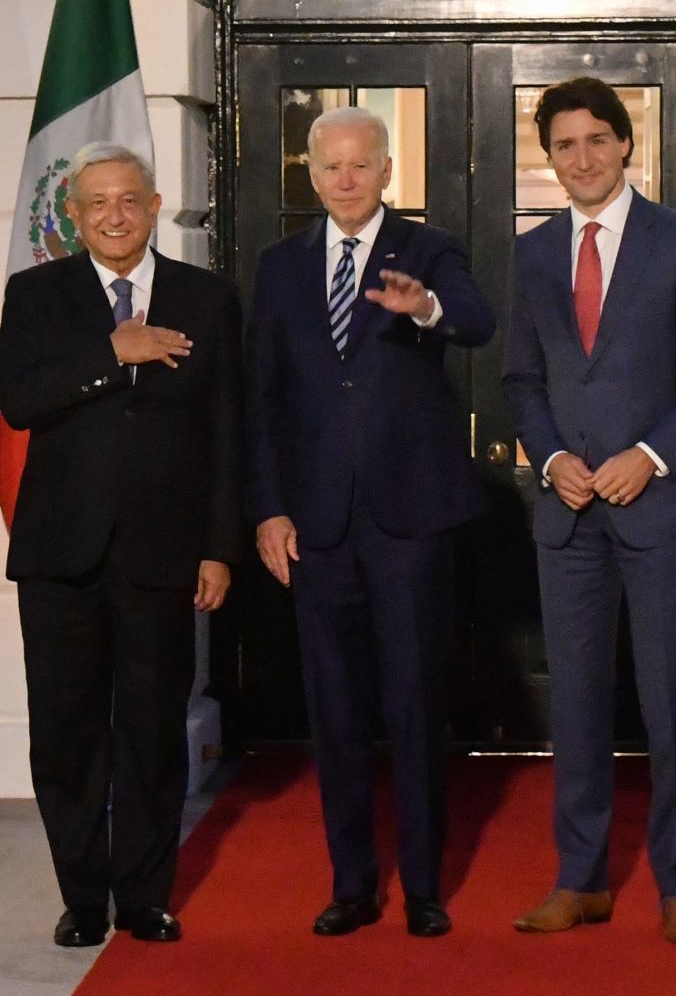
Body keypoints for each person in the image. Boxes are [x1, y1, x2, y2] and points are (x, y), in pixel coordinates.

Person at [502, 77, 676, 946]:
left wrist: (648, 458)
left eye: (596, 140)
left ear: (625, 143)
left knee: (673, 701)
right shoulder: (532, 254)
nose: (583, 158)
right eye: (564, 145)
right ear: (550, 158)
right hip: (568, 517)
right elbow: (522, 381)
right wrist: (556, 457)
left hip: (663, 508)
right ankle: (583, 881)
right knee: (574, 704)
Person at [246, 105, 496, 939]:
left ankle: (423, 888)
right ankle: (352, 884)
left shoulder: (428, 250)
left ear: (387, 170)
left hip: (410, 524)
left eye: (361, 166)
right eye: (330, 168)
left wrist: (425, 309)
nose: (346, 181)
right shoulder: (279, 268)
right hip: (317, 528)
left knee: (415, 708)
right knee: (338, 713)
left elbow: (475, 321)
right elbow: (263, 400)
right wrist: (270, 508)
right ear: (310, 177)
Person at [0, 143, 245, 948]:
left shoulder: (206, 299)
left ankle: (143, 896)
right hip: (59, 553)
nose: (113, 214)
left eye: (129, 200)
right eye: (97, 201)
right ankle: (81, 896)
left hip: (166, 555)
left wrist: (218, 547)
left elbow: (226, 433)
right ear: (73, 212)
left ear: (155, 203)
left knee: (149, 730)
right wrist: (112, 353)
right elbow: (20, 402)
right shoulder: (36, 295)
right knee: (65, 733)